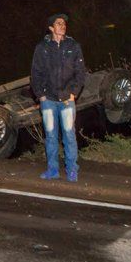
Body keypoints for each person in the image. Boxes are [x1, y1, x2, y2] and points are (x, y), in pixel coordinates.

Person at [31, 13, 86, 182]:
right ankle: (52, 170)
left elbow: (80, 73)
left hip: (67, 100)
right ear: (51, 28)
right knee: (51, 136)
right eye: (59, 23)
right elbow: (35, 73)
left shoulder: (73, 46)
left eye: (64, 23)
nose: (63, 25)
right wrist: (40, 95)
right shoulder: (42, 47)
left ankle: (72, 170)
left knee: (69, 135)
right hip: (48, 100)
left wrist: (73, 93)